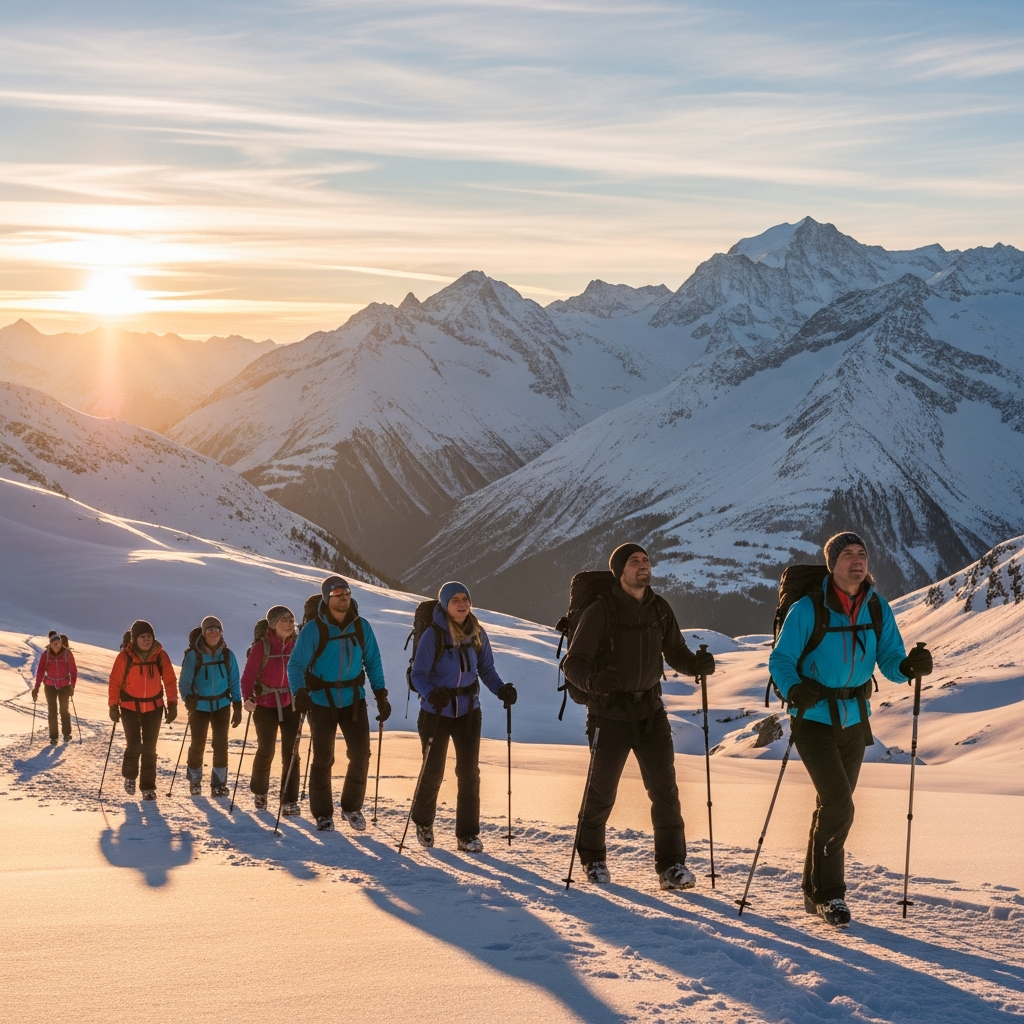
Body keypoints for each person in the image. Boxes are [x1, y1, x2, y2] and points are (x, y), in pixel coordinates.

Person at [769, 531, 932, 928]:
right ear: (832, 563)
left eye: (862, 553)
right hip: (813, 720)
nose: (857, 560)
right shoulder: (808, 608)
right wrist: (794, 688)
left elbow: (890, 658)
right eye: (847, 554)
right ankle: (830, 896)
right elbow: (781, 659)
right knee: (840, 805)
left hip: (855, 719)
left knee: (831, 805)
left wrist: (909, 668)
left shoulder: (877, 607)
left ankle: (812, 890)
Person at [563, 543, 714, 890]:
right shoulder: (601, 610)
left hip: (650, 712)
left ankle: (672, 866)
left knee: (665, 791)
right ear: (620, 571)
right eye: (635, 562)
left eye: (646, 560)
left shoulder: (659, 608)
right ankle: (593, 859)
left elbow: (675, 650)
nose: (644, 566)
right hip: (609, 714)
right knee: (602, 792)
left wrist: (696, 666)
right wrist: (592, 681)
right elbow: (573, 663)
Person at [409, 582, 517, 853]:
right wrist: (431, 693)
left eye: (465, 599)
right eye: (455, 599)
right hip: (435, 711)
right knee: (433, 771)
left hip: (469, 710)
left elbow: (486, 670)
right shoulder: (433, 635)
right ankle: (423, 822)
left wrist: (501, 689)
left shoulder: (476, 632)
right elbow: (417, 674)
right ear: (445, 604)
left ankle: (467, 834)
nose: (461, 604)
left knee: (469, 774)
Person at [287, 576, 390, 832]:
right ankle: (323, 814)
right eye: (337, 592)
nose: (344, 596)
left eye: (347, 591)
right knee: (323, 758)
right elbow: (296, 665)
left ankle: (351, 807)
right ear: (326, 598)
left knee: (361, 756)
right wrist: (299, 692)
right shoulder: (314, 629)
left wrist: (381, 695)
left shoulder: (361, 626)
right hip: (321, 701)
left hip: (354, 700)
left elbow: (373, 661)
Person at [107, 620, 178, 800]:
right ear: (134, 639)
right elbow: (115, 682)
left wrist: (173, 704)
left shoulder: (161, 656)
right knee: (134, 745)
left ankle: (148, 787)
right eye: (142, 636)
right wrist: (113, 705)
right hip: (130, 707)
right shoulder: (125, 657)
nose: (146, 640)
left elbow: (169, 681)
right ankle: (130, 777)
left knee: (149, 749)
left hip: (154, 708)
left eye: (149, 636)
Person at [241, 606, 299, 812]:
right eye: (285, 619)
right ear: (273, 624)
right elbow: (247, 677)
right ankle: (260, 792)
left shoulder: (297, 646)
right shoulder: (262, 647)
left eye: (292, 619)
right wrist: (247, 698)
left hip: (291, 704)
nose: (290, 623)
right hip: (265, 704)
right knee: (266, 750)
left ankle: (289, 800)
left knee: (291, 753)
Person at [179, 616, 242, 797]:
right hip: (199, 706)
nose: (214, 632)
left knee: (221, 744)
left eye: (217, 629)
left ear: (221, 633)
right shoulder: (194, 656)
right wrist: (188, 698)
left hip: (222, 705)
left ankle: (219, 784)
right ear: (204, 632)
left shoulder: (228, 655)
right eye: (210, 629)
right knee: (197, 744)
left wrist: (237, 704)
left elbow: (234, 681)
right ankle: (195, 781)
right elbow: (184, 682)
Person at [34, 630, 77, 744]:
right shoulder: (46, 655)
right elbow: (40, 671)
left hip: (64, 686)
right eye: (53, 644)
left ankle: (66, 734)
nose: (56, 646)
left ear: (61, 643)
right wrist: (36, 687)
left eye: (57, 643)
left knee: (64, 710)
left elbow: (73, 671)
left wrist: (72, 686)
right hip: (50, 685)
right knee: (52, 711)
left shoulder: (67, 654)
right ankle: (53, 737)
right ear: (50, 644)